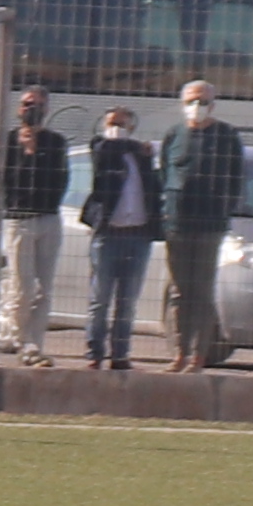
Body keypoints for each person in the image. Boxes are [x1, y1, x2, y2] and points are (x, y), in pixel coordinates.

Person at [158, 82, 243, 373]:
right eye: (193, 100)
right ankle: (178, 353)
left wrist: (223, 210)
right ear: (183, 103)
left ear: (213, 104)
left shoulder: (226, 136)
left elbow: (235, 178)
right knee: (179, 291)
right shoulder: (174, 135)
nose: (198, 105)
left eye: (204, 100)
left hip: (210, 226)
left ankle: (198, 356)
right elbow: (164, 174)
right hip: (177, 224)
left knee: (202, 291)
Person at [73, 102, 161, 371]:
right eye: (112, 123)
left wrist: (141, 151)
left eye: (121, 124)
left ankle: (120, 354)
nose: (116, 129)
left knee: (127, 300)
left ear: (132, 127)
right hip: (108, 235)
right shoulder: (103, 147)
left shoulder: (142, 157)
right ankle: (94, 352)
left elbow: (154, 185)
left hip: (138, 235)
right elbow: (102, 154)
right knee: (100, 298)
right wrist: (134, 145)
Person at [0, 85, 72, 359]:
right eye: (26, 104)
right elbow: (10, 183)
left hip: (48, 219)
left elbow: (57, 182)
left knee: (43, 288)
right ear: (19, 108)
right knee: (22, 286)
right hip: (18, 220)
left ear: (46, 109)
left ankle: (32, 344)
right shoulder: (8, 142)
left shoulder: (56, 142)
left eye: (37, 105)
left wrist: (37, 151)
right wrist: (27, 153)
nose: (31, 110)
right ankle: (14, 333)